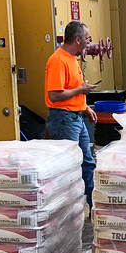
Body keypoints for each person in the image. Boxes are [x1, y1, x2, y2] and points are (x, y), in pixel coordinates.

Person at [44, 21, 97, 208]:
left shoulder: (72, 58)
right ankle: (67, 208)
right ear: (77, 39)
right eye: (87, 38)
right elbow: (55, 95)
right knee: (70, 166)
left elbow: (72, 89)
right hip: (64, 120)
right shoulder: (58, 60)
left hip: (76, 118)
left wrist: (85, 107)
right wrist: (81, 90)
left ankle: (93, 206)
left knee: (87, 163)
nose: (89, 41)